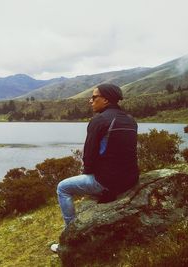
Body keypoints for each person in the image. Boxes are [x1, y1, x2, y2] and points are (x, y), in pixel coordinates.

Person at [51, 83, 139, 253]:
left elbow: (89, 156)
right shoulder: (130, 119)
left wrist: (90, 174)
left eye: (93, 97)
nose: (90, 101)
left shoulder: (99, 120)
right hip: (131, 179)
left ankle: (71, 235)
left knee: (63, 188)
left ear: (105, 99)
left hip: (108, 181)